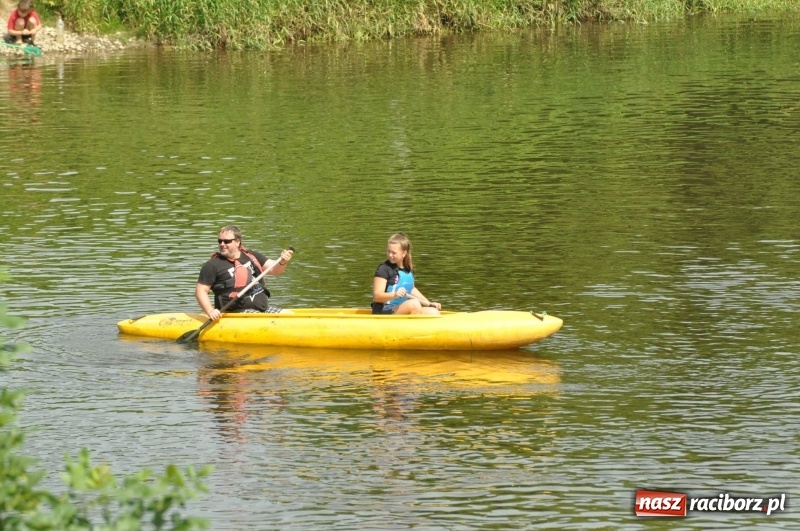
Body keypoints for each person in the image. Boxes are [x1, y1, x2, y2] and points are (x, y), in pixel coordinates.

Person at [196, 225, 294, 320]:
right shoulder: (212, 265)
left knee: (290, 316)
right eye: (220, 241)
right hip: (235, 313)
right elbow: (201, 290)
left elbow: (274, 270)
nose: (222, 244)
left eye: (226, 241)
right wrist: (210, 311)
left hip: (262, 310)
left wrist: (283, 261)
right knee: (260, 319)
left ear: (238, 242)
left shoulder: (251, 256)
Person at [371, 232, 441, 315]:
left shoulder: (408, 269)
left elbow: (411, 289)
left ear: (404, 253)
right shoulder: (384, 269)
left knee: (433, 312)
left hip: (399, 308)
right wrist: (395, 295)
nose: (390, 255)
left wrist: (429, 303)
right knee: (414, 304)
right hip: (383, 310)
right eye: (388, 251)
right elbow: (377, 297)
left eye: (394, 253)